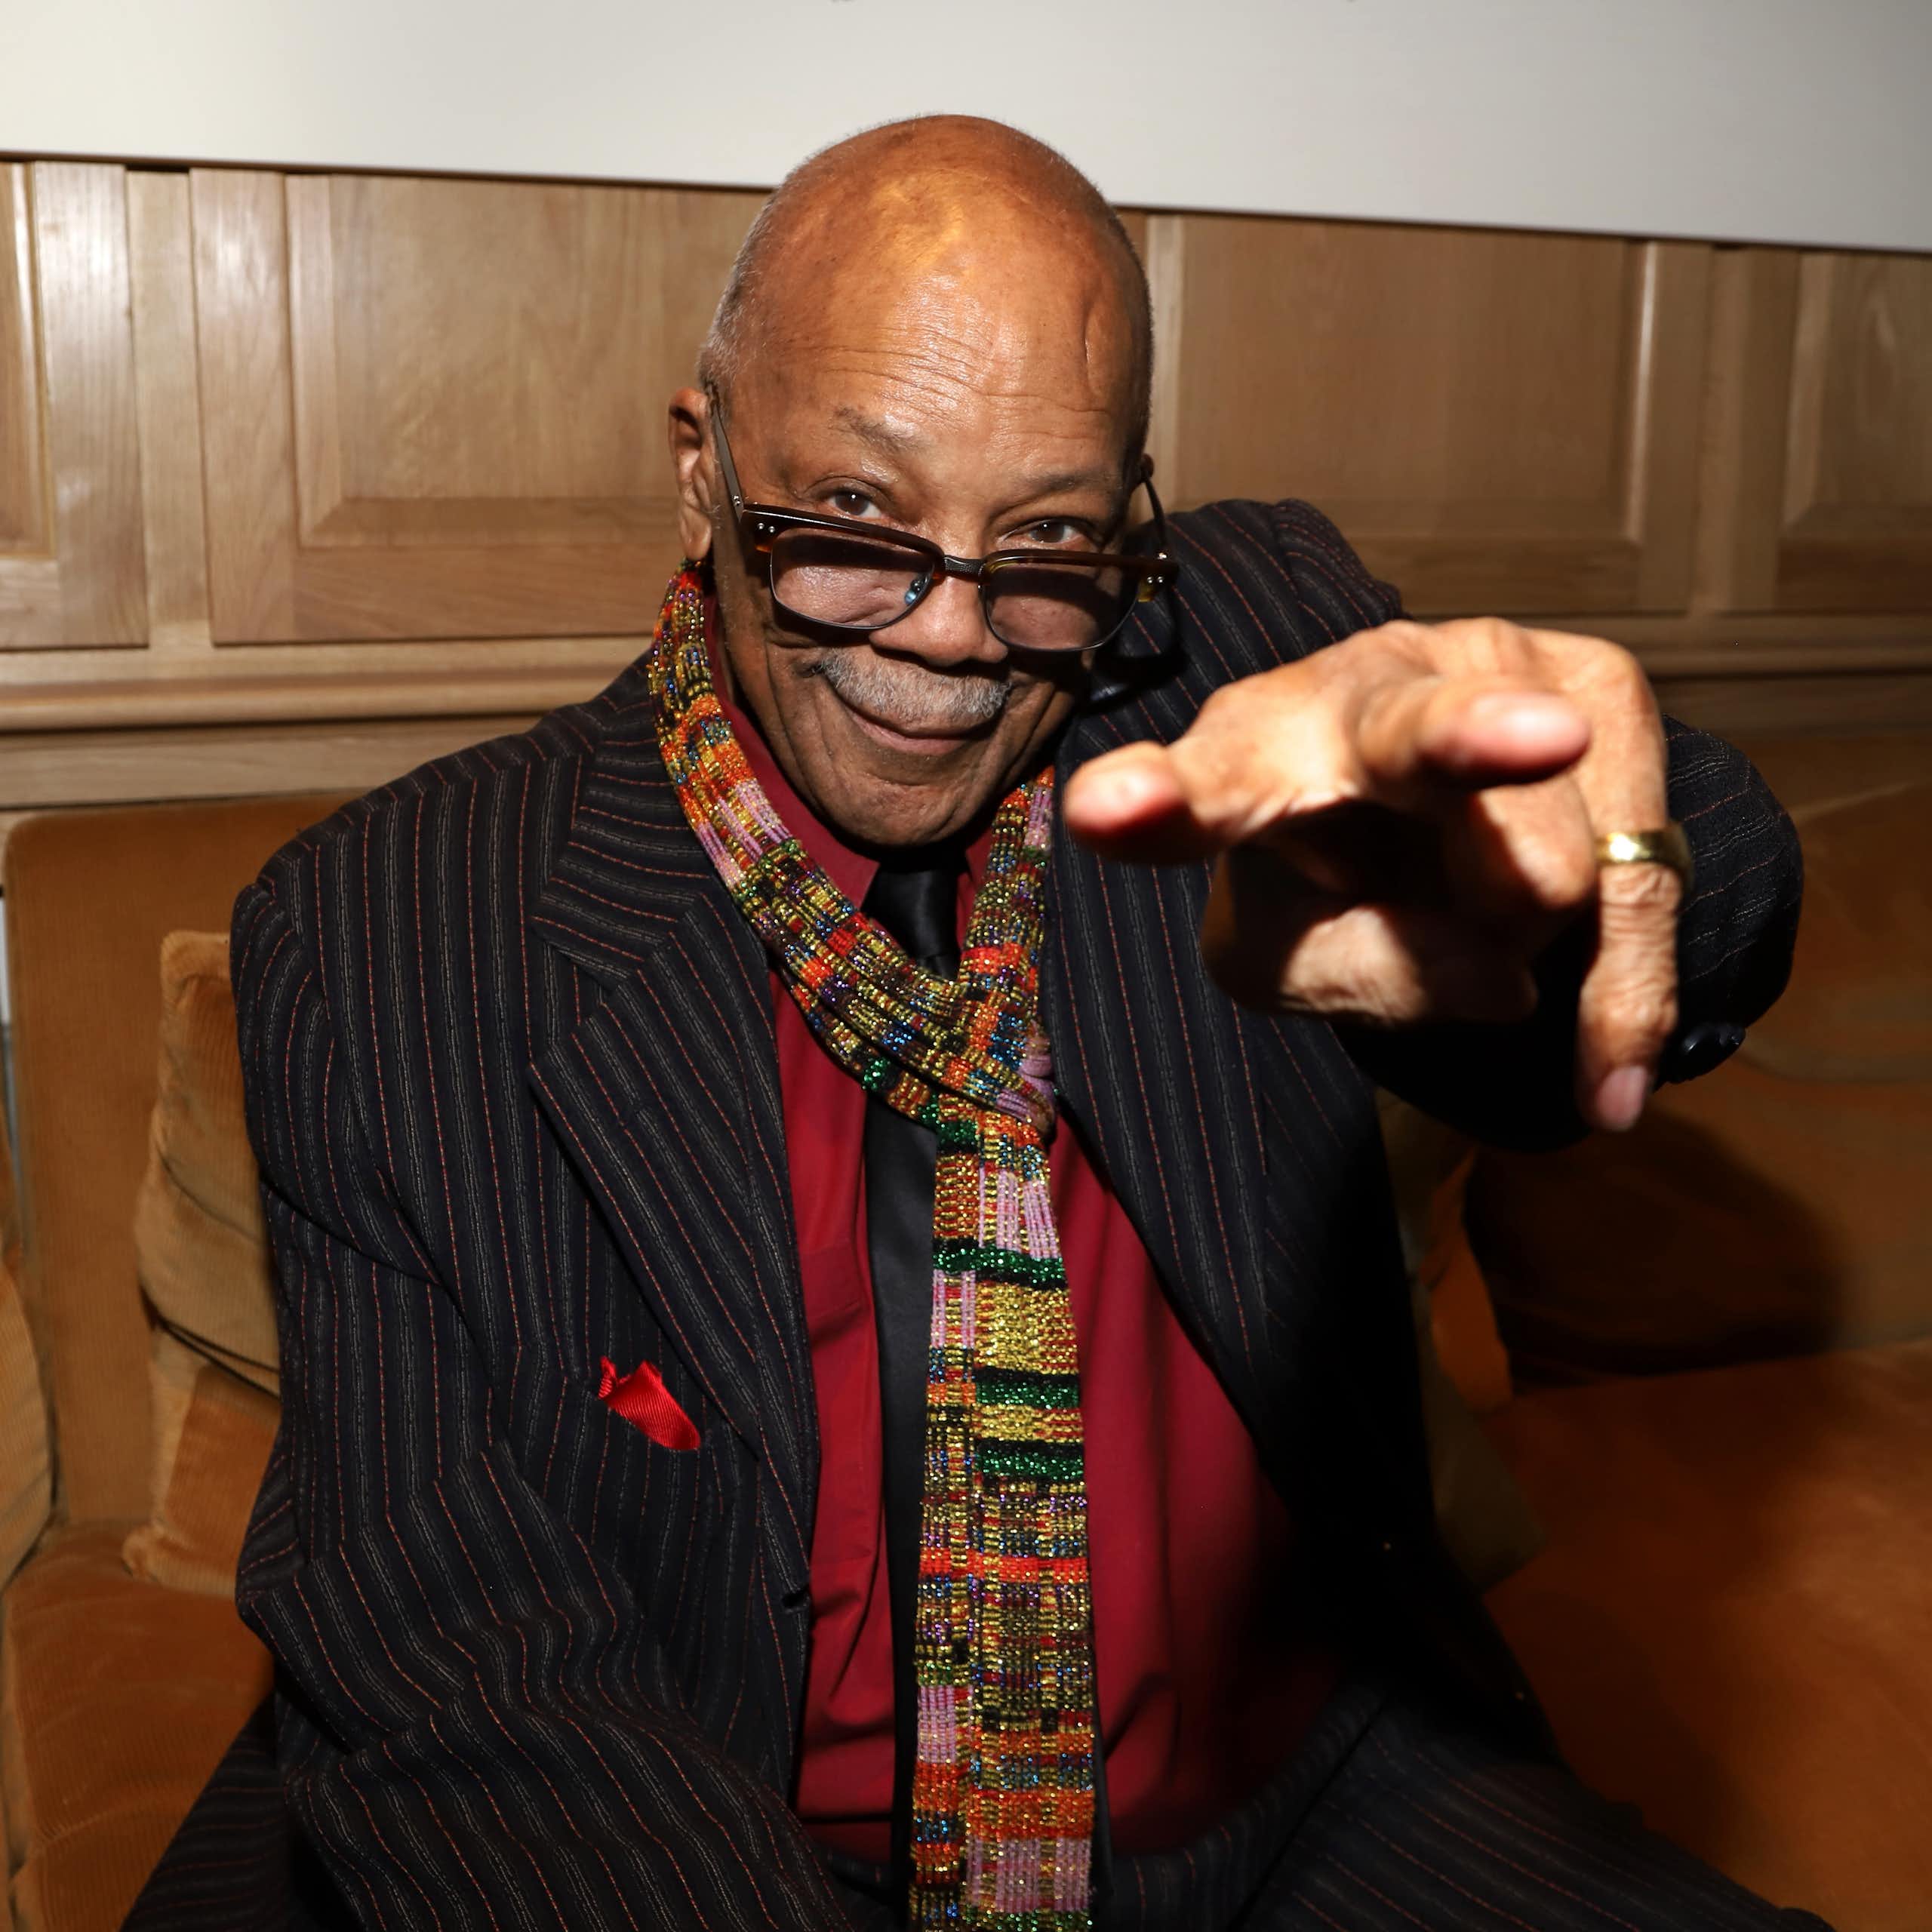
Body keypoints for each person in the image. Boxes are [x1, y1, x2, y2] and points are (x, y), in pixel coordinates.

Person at [131, 116, 1817, 1931]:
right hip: (722, 1847)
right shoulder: (391, 931)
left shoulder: (1232, 658)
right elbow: (475, 1675)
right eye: (849, 522)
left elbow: (1655, 884)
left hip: (1305, 1803)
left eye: (1045, 543)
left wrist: (1602, 866)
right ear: (700, 471)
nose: (947, 634)